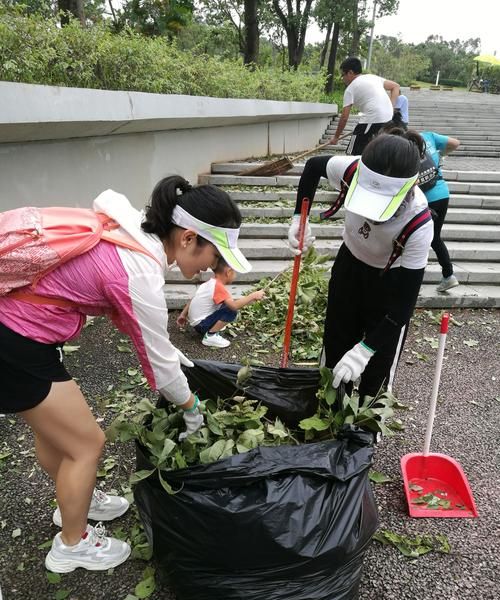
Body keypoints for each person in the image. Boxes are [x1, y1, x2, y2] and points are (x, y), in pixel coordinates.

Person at [0, 175, 251, 573]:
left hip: (23, 331)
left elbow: (143, 331)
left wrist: (169, 352)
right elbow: (159, 365)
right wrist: (190, 406)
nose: (212, 270)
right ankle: (72, 544)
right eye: (214, 258)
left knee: (55, 433)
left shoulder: (130, 231)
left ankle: (76, 501)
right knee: (87, 445)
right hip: (15, 339)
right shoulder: (140, 271)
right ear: (187, 238)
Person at [288, 131, 433, 397]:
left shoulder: (419, 224)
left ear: (407, 190)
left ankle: (368, 422)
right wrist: (300, 217)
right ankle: (333, 407)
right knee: (336, 343)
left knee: (379, 360)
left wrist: (365, 350)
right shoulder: (351, 169)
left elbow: (403, 306)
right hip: (350, 265)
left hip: (391, 281)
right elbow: (313, 167)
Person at [177, 258, 265, 348]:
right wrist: (252, 295)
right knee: (231, 311)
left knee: (226, 304)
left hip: (197, 323)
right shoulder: (218, 287)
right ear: (229, 272)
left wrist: (183, 315)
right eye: (234, 273)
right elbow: (234, 306)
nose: (235, 276)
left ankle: (213, 328)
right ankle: (210, 336)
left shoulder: (209, 283)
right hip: (202, 325)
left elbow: (193, 299)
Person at [330, 57, 400, 155]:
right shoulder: (372, 77)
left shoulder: (350, 89)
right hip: (388, 119)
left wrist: (336, 137)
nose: (342, 79)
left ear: (350, 73)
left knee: (352, 153)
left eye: (343, 75)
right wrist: (391, 108)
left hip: (373, 119)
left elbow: (344, 117)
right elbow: (395, 86)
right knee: (372, 151)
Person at [420, 131, 461, 292]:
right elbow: (455, 143)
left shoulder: (401, 146)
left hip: (423, 199)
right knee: (434, 237)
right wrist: (441, 154)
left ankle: (407, 274)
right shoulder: (428, 136)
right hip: (442, 192)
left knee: (416, 236)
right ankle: (448, 275)